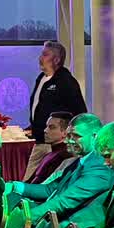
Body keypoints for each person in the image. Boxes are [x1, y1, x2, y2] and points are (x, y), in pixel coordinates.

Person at [10, 113, 114, 228]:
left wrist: (27, 217)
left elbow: (65, 201)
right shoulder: (81, 160)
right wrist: (15, 186)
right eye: (69, 135)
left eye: (76, 136)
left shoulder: (100, 166)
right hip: (63, 221)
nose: (68, 141)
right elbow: (50, 189)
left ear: (95, 136)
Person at [25, 40, 87, 171]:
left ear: (57, 60)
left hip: (59, 143)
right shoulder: (41, 78)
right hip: (40, 141)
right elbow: (40, 107)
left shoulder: (66, 81)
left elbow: (79, 111)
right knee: (29, 178)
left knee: (54, 177)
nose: (40, 58)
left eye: (45, 55)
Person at [24, 111, 74, 183]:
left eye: (51, 127)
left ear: (65, 132)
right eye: (46, 126)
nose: (45, 130)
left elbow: (47, 185)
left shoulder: (63, 156)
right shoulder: (51, 155)